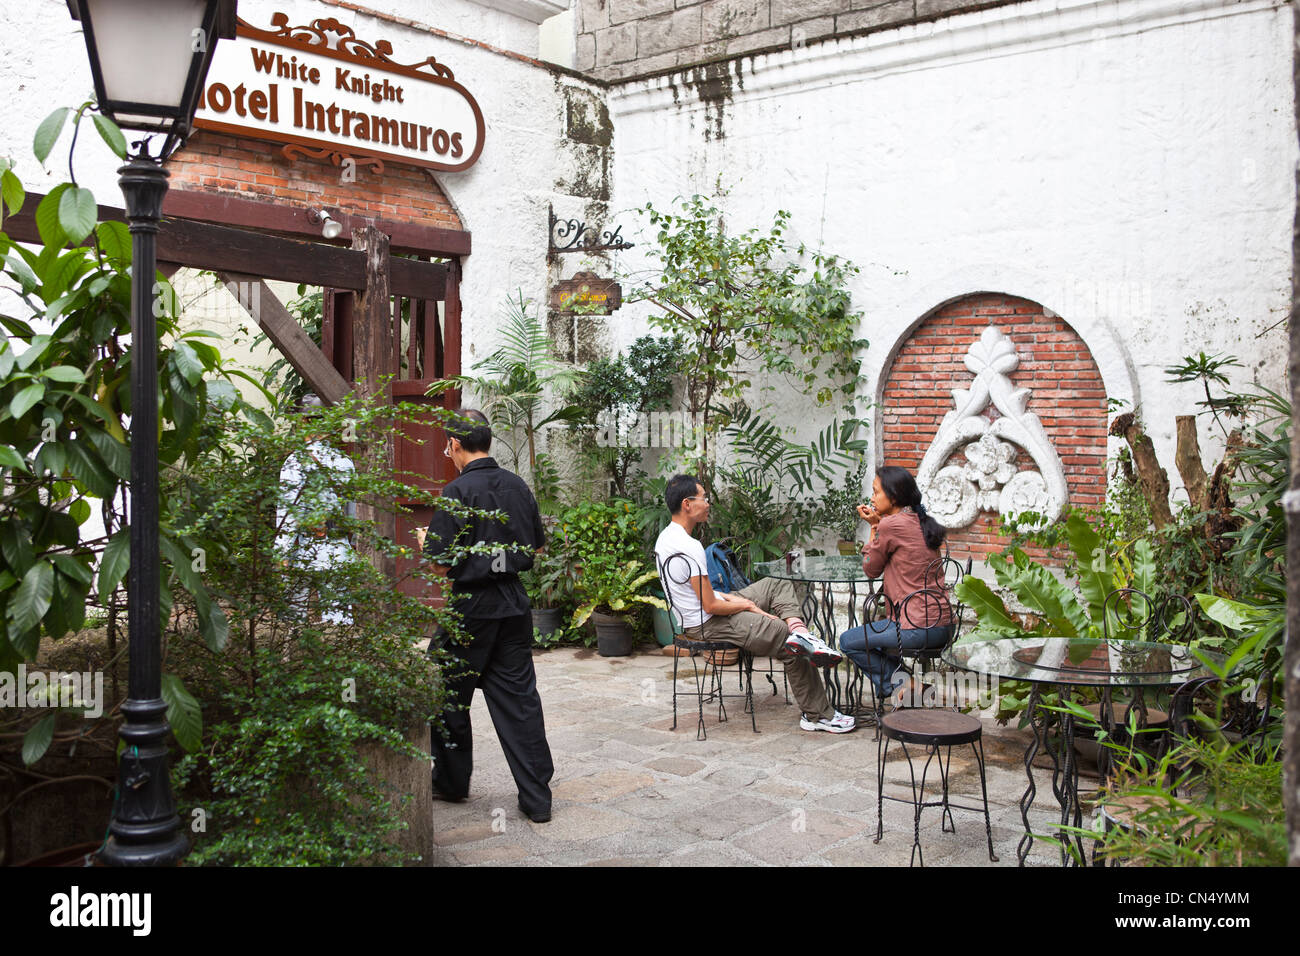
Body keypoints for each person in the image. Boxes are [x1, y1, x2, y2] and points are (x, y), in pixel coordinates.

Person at [416, 409, 555, 823]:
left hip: (471, 607)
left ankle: (452, 783)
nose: (448, 452)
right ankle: (537, 800)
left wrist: (429, 542)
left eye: (447, 446)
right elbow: (537, 549)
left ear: (455, 445)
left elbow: (440, 566)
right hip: (513, 605)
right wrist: (501, 555)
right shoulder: (517, 486)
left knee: (443, 691)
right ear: (488, 442)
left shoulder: (457, 492)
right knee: (519, 702)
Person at [653, 474, 855, 734]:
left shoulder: (666, 538)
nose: (708, 503)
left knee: (776, 583)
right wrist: (746, 606)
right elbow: (710, 606)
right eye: (704, 498)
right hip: (707, 624)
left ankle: (802, 631)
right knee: (787, 639)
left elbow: (700, 594)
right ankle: (817, 715)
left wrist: (733, 598)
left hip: (705, 612)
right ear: (687, 504)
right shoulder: (689, 546)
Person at [839, 466, 953, 703]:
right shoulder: (922, 521)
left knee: (849, 641)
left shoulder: (889, 526)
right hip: (943, 624)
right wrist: (880, 524)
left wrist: (873, 527)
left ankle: (906, 683)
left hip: (915, 628)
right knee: (877, 635)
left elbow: (870, 569)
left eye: (876, 492)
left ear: (893, 496)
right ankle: (899, 689)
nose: (872, 498)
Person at [275, 393, 357, 625]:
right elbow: (351, 512)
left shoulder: (294, 462)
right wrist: (350, 545)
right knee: (339, 622)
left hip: (303, 548)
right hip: (336, 547)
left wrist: (282, 552)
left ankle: (295, 660)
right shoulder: (344, 462)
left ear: (303, 423)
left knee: (293, 619)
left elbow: (287, 514)